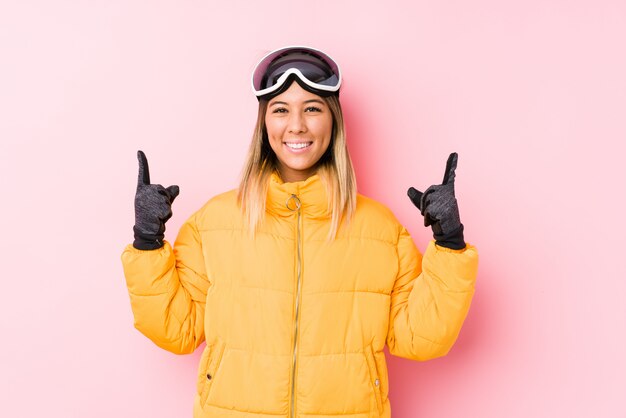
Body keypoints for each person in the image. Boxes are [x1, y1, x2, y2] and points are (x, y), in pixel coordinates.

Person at [121, 45, 478, 418]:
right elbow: (175, 330)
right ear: (264, 124)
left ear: (333, 121)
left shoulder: (380, 230)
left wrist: (449, 244)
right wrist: (148, 243)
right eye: (280, 110)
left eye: (312, 108)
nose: (297, 125)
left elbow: (420, 338)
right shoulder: (214, 223)